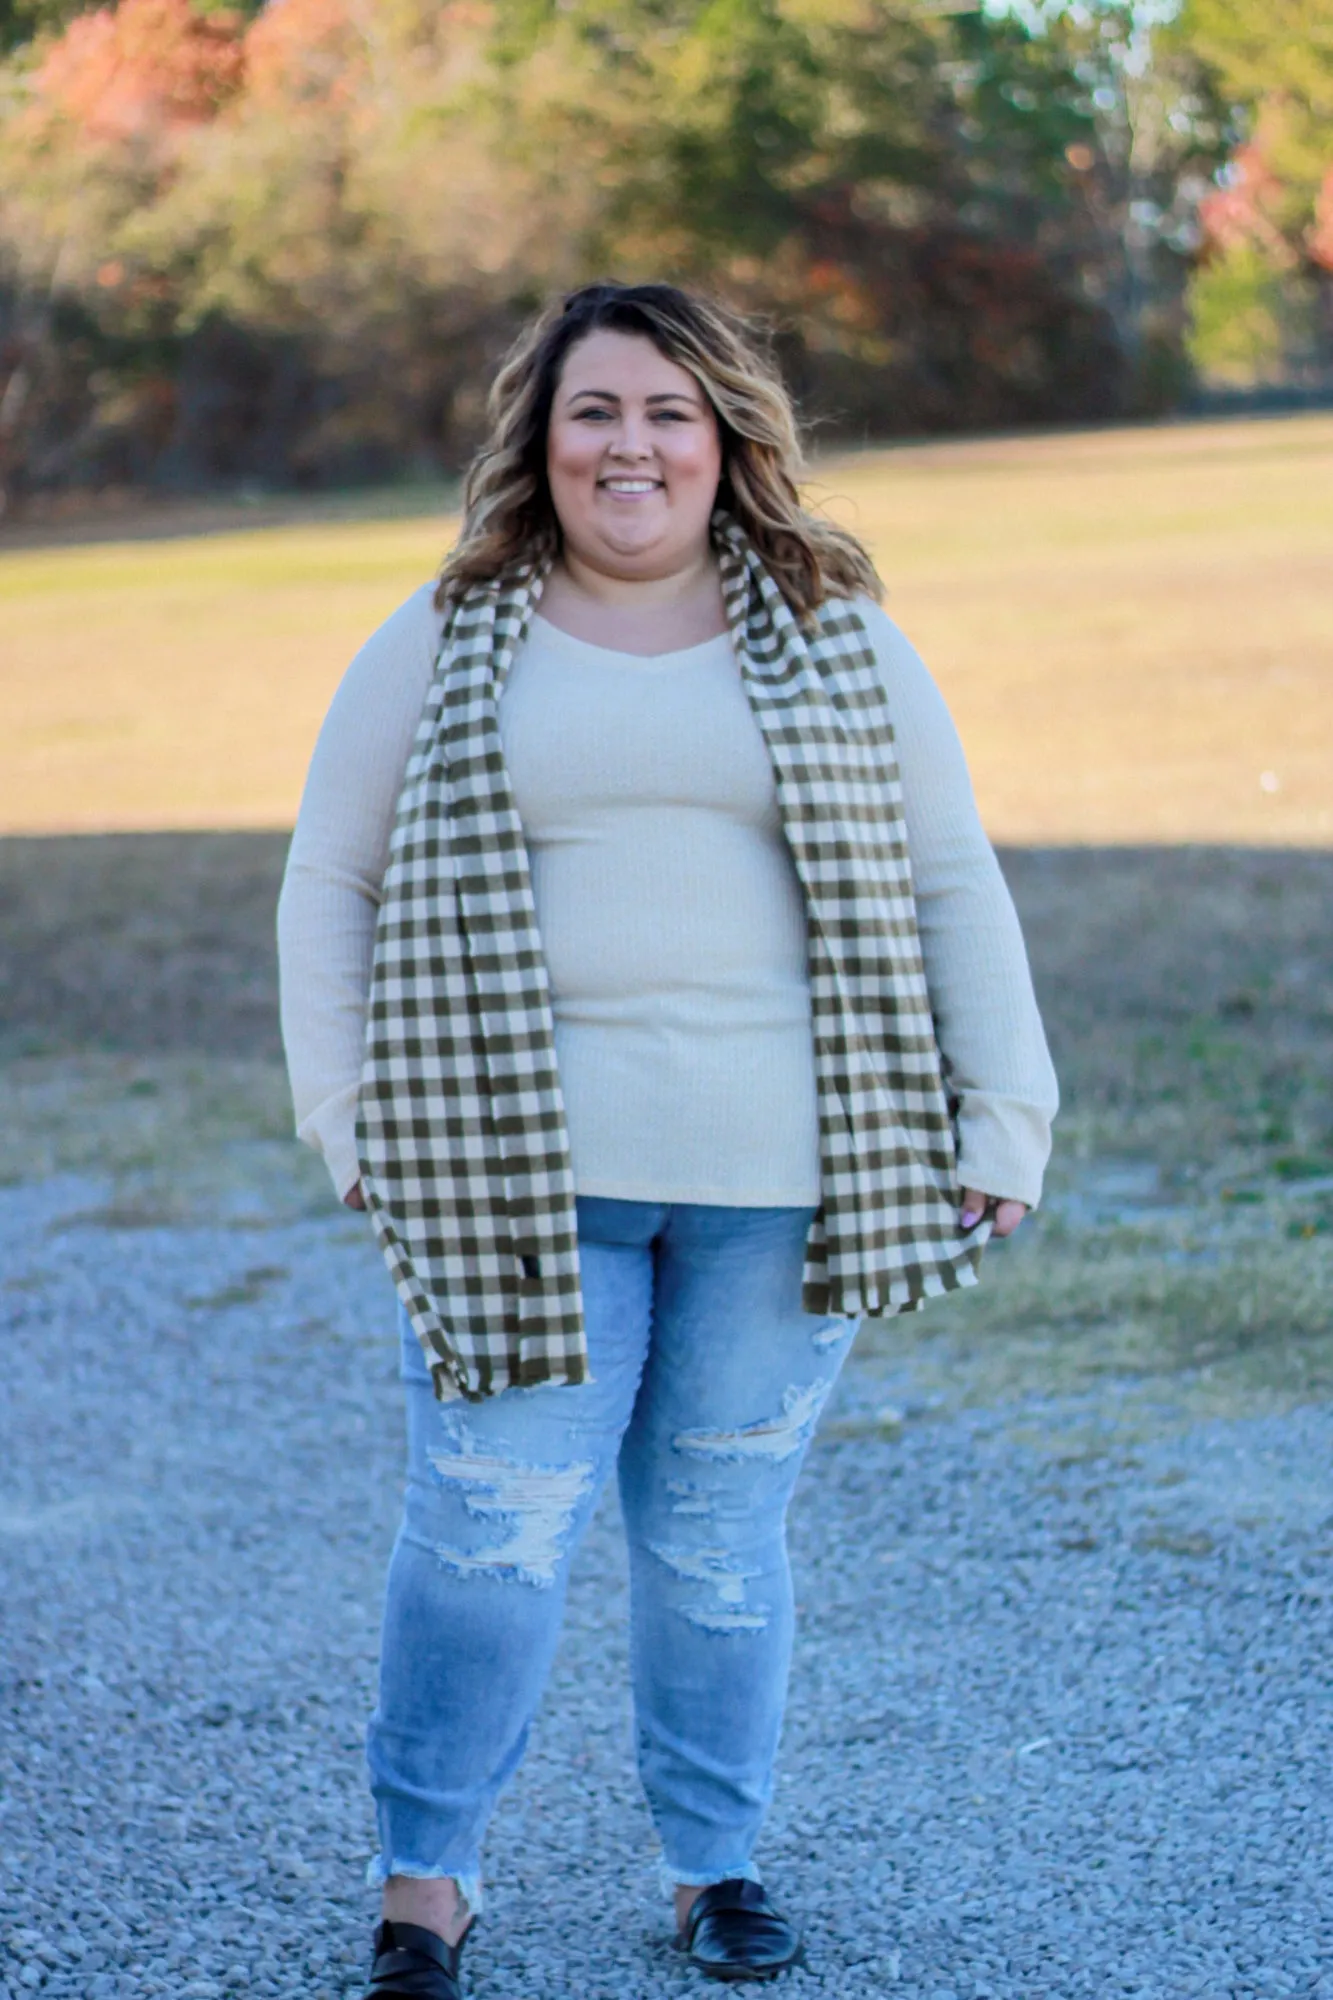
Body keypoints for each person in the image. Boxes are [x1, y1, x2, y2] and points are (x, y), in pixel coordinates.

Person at [277, 280, 1058, 1997]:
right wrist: (345, 1117)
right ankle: (428, 1879)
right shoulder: (446, 629)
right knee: (487, 1531)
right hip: (508, 1175)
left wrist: (1005, 1107)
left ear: (726, 439)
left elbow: (949, 873)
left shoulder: (837, 628)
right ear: (539, 443)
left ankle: (717, 1867)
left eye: (666, 413)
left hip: (787, 1179)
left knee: (715, 1542)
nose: (630, 446)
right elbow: (330, 875)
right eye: (594, 413)